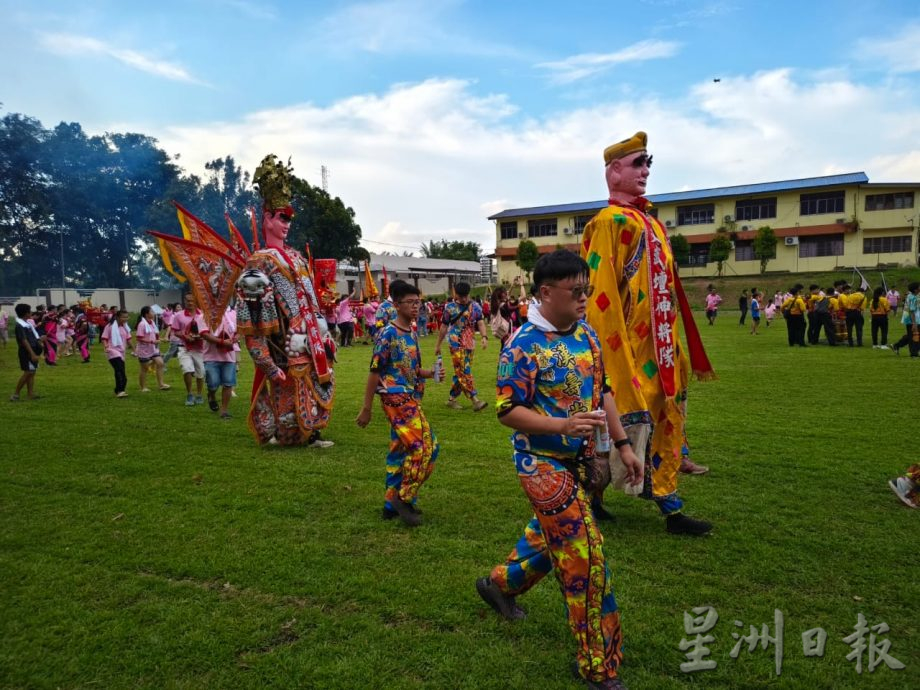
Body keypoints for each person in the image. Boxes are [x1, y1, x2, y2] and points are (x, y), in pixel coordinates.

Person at [476, 251, 641, 690]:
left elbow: (602, 394)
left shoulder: (587, 336)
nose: (585, 297)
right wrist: (562, 425)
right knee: (585, 557)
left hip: (582, 462)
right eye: (576, 291)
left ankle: (498, 584)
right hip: (541, 464)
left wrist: (623, 447)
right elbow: (508, 410)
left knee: (553, 540)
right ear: (545, 293)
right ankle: (597, 665)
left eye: (586, 289)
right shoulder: (522, 345)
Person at [581, 131, 715, 536]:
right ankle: (596, 496)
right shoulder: (608, 223)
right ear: (614, 170)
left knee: (667, 421)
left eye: (648, 163)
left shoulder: (652, 224)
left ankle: (669, 503)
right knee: (612, 426)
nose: (645, 171)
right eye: (638, 163)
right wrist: (609, 355)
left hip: (663, 352)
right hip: (628, 351)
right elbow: (600, 296)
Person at [236, 154, 335, 447]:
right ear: (267, 218)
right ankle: (286, 433)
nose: (288, 224)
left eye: (290, 218)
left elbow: (312, 301)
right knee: (286, 393)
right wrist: (266, 363)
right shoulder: (259, 262)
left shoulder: (296, 257)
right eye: (282, 217)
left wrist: (323, 333)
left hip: (310, 340)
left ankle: (311, 432)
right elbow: (253, 323)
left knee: (313, 388)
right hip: (283, 345)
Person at [356, 281, 439, 526]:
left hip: (410, 394)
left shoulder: (412, 333)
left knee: (398, 451)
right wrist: (366, 408)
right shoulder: (388, 334)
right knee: (427, 447)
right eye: (411, 302)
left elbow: (410, 369)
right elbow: (375, 372)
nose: (416, 307)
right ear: (396, 304)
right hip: (395, 398)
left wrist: (429, 373)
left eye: (418, 302)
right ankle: (404, 497)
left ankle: (389, 505)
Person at [434, 281, 489, 411]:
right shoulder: (450, 308)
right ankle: (475, 400)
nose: (464, 299)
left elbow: (480, 323)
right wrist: (438, 345)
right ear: (456, 294)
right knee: (464, 371)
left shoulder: (475, 306)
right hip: (455, 343)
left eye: (466, 296)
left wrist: (484, 337)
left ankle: (451, 400)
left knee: (460, 371)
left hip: (470, 343)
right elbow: (443, 327)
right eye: (461, 296)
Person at [171, 293, 209, 406]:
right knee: (187, 369)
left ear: (196, 301)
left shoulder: (202, 315)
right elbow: (175, 331)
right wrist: (185, 336)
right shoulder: (178, 315)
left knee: (200, 372)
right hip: (184, 348)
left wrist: (201, 336)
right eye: (188, 300)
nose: (190, 303)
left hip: (199, 348)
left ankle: (199, 394)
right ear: (184, 301)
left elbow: (207, 330)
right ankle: (189, 394)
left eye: (192, 300)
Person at [202, 305, 238, 418]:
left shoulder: (233, 314)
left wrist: (236, 338)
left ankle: (224, 411)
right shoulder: (206, 315)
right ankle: (211, 395)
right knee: (213, 383)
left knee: (228, 383)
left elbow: (240, 330)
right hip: (211, 357)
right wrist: (223, 342)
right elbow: (204, 334)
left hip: (229, 357)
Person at [11, 304, 42, 401]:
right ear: (26, 313)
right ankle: (16, 394)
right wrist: (32, 354)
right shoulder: (20, 325)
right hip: (26, 352)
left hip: (32, 350)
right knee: (28, 372)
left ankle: (30, 393)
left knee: (32, 372)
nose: (31, 312)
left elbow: (31, 338)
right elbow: (24, 340)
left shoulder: (26, 324)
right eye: (30, 311)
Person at [101, 310, 133, 398]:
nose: (126, 319)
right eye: (124, 317)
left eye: (127, 317)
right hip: (112, 351)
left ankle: (118, 390)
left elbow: (128, 339)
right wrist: (106, 346)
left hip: (121, 352)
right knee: (120, 371)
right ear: (117, 317)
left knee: (119, 371)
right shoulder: (110, 326)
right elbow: (104, 338)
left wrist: (134, 349)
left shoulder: (125, 327)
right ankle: (120, 391)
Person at [136, 306, 169, 391]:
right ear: (147, 314)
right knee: (144, 369)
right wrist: (152, 341)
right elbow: (139, 338)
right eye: (152, 312)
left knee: (160, 363)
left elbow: (153, 336)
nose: (154, 313)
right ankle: (143, 387)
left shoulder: (152, 323)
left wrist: (161, 339)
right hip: (144, 350)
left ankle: (161, 384)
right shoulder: (142, 324)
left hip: (153, 348)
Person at [892, 281, 920, 357]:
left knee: (911, 335)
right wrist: (914, 323)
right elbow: (911, 311)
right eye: (919, 287)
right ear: (915, 290)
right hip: (912, 319)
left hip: (915, 318)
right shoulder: (912, 297)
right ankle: (914, 353)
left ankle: (896, 345)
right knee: (914, 336)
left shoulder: (914, 295)